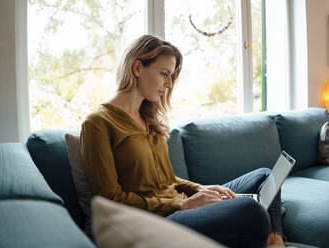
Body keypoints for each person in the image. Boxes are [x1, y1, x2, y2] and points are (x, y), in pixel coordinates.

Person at [80, 34, 287, 248]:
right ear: (137, 68)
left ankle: (275, 239)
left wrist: (200, 188)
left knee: (265, 176)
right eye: (164, 74)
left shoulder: (148, 119)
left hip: (182, 204)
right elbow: (109, 199)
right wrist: (181, 204)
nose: (169, 84)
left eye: (171, 76)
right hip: (161, 219)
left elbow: (167, 180)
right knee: (250, 209)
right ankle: (267, 222)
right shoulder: (98, 123)